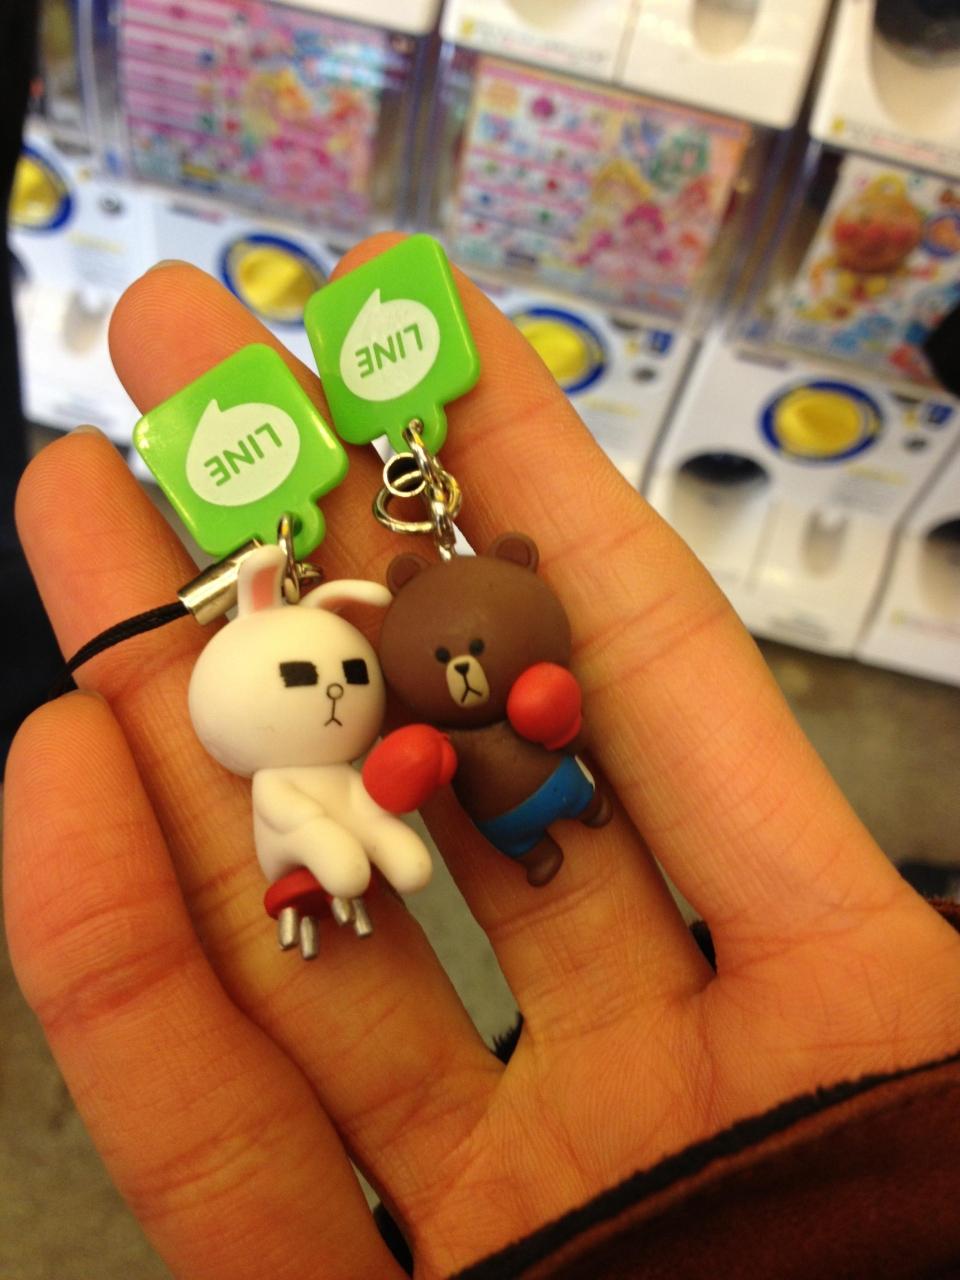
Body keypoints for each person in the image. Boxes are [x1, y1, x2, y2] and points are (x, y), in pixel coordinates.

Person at [3, 236, 960, 1280]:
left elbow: (510, 725)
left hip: (539, 780)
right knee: (393, 839)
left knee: (528, 801)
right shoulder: (346, 718)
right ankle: (414, 865)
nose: (348, 691)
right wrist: (396, 785)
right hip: (412, 815)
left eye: (350, 671)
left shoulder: (487, 670)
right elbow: (385, 782)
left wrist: (512, 723)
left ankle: (542, 823)